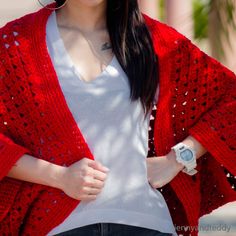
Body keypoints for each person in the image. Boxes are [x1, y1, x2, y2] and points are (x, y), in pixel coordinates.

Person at [0, 0, 235, 235]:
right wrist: (60, 177)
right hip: (60, 226)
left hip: (147, 222)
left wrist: (177, 159)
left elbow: (230, 102)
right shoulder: (17, 43)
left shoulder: (154, 40)